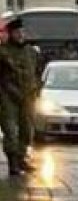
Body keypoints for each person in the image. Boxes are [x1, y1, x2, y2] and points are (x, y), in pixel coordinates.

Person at [0, 17, 40, 177]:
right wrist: (10, 90)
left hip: (28, 96)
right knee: (11, 130)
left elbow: (36, 72)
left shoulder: (30, 52)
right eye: (17, 32)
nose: (20, 35)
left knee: (27, 130)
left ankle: (22, 157)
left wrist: (37, 88)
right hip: (7, 97)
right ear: (10, 34)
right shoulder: (3, 52)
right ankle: (13, 163)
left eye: (22, 31)